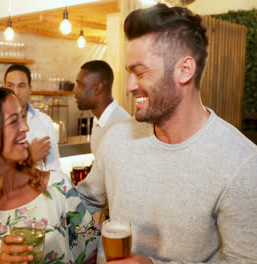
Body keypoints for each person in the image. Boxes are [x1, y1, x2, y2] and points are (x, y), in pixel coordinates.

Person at [76, 4, 257, 264]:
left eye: (141, 72)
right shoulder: (116, 138)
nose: (129, 87)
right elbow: (84, 203)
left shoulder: (243, 164)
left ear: (185, 70)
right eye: (129, 73)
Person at [0, 87, 99, 264]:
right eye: (13, 122)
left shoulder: (58, 187)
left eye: (23, 117)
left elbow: (93, 252)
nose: (25, 128)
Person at [4, 64, 62, 172]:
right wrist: (30, 157)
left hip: (38, 187)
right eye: (10, 86)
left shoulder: (44, 121)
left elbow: (54, 167)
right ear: (4, 88)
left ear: (30, 89)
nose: (15, 92)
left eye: (21, 86)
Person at [73, 60, 130, 157]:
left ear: (98, 88)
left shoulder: (121, 127)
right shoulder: (98, 120)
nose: (74, 90)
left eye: (80, 85)